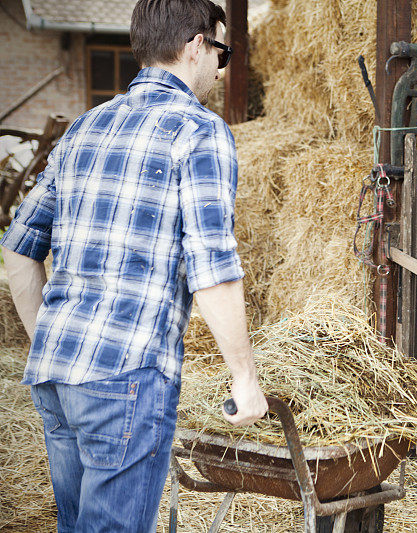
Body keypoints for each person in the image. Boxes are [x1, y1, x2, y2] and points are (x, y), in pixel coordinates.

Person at [0, 0, 267, 530]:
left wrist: (46, 340)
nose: (221, 68)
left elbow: (16, 250)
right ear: (196, 46)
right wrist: (244, 377)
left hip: (55, 374)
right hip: (125, 376)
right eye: (222, 52)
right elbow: (211, 263)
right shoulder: (199, 130)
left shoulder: (83, 128)